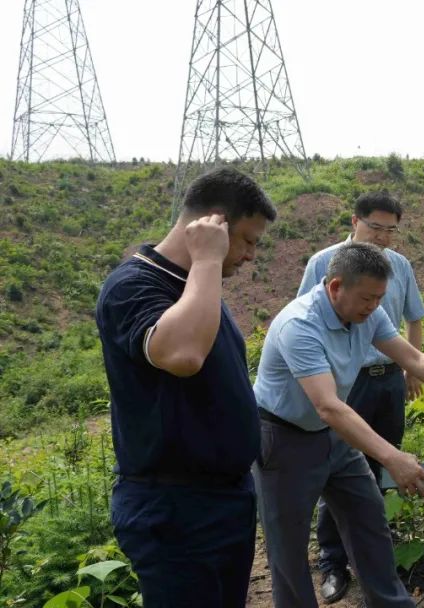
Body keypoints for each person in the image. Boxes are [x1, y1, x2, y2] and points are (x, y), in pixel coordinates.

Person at [253, 242, 424, 608]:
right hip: (284, 438)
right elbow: (328, 405)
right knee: (287, 543)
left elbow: (412, 358)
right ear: (336, 287)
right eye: (368, 298)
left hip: (333, 434)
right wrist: (391, 456)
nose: (374, 306)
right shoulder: (299, 325)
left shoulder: (367, 314)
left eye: (380, 298)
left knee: (367, 517)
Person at [95, 168, 276, 608]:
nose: (251, 256)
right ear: (214, 225)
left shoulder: (197, 286)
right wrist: (209, 260)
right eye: (247, 240)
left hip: (223, 501)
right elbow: (183, 355)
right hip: (176, 510)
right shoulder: (132, 285)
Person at [296, 192, 424, 603]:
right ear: (355, 221)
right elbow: (302, 320)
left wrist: (410, 370)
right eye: (376, 227)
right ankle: (333, 562)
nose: (383, 236)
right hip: (345, 384)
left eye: (391, 229)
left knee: (387, 465)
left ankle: (379, 556)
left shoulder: (400, 266)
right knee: (337, 471)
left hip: (388, 379)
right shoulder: (324, 263)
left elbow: (414, 318)